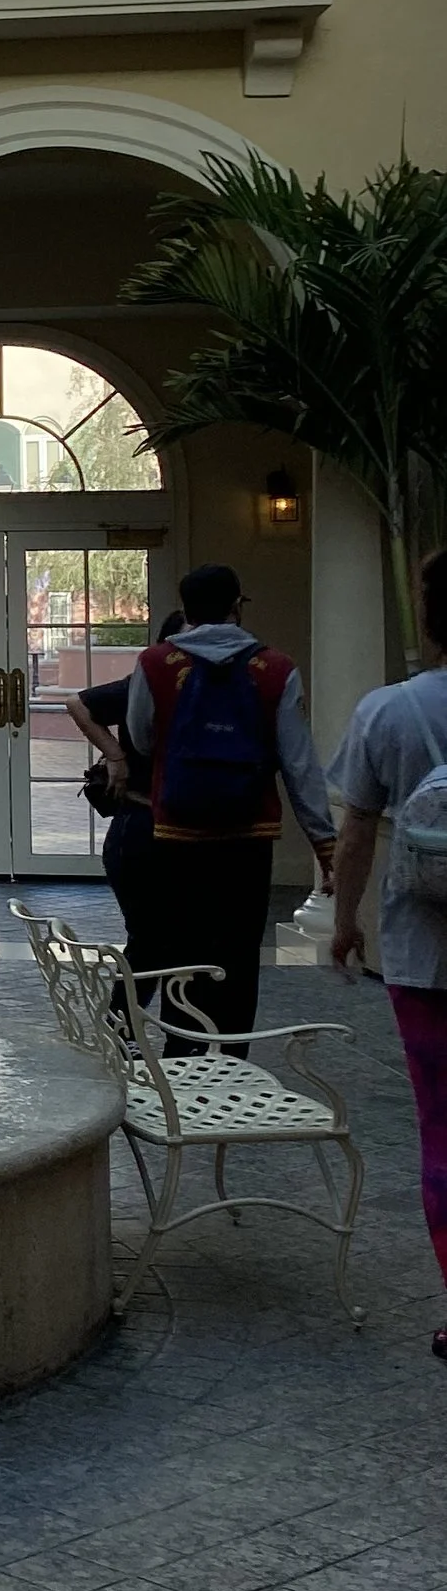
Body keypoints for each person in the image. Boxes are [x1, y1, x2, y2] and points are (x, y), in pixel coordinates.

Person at [123, 564, 335, 1047]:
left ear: (186, 609)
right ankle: (231, 1057)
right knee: (238, 952)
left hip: (177, 833)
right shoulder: (275, 668)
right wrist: (324, 842)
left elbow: (142, 737)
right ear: (237, 606)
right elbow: (299, 762)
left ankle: (182, 1054)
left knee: (182, 947)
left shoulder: (155, 663)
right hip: (248, 834)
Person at [329, 546, 447, 1362]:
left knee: (441, 1132)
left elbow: (357, 831)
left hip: (423, 954)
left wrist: (344, 922)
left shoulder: (389, 711)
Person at [68, 607, 184, 984]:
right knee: (149, 941)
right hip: (141, 823)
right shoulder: (144, 684)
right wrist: (115, 756)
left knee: (171, 943)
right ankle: (124, 1019)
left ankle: (152, 1019)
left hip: (185, 829)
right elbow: (79, 703)